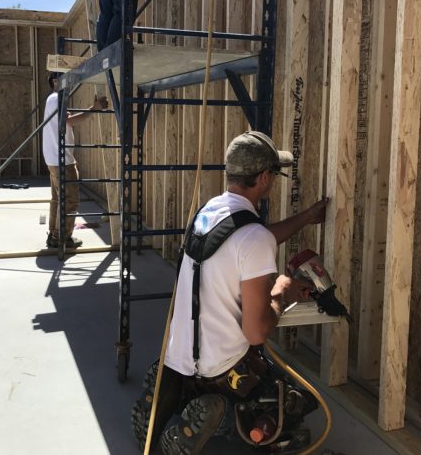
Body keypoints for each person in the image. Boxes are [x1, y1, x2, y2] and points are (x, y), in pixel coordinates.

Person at [131, 131, 329, 454]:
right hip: (221, 368)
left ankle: (169, 397)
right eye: (274, 175)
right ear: (264, 178)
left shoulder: (209, 212)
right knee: (289, 401)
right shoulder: (253, 239)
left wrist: (306, 217)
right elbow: (256, 332)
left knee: (194, 374)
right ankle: (218, 413)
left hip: (179, 357)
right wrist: (283, 290)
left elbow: (255, 239)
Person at [42, 72, 107, 248]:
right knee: (70, 201)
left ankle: (54, 235)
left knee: (57, 199)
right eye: (65, 80)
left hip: (53, 158)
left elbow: (66, 120)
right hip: (62, 159)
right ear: (55, 82)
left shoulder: (52, 99)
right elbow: (69, 122)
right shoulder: (57, 99)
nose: (70, 84)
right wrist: (94, 109)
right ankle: (62, 238)